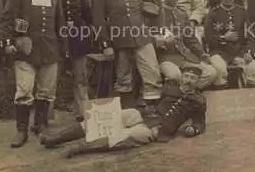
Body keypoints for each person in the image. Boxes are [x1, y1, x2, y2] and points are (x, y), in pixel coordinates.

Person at [62, 64, 207, 158]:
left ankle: (79, 149)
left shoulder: (198, 101)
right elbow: (149, 98)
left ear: (198, 82)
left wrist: (193, 129)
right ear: (181, 77)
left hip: (158, 129)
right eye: (186, 76)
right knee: (109, 115)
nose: (188, 80)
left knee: (126, 135)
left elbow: (199, 122)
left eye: (193, 78)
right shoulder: (169, 87)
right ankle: (57, 138)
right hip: (144, 115)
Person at [0, 0, 68, 147]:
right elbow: (7, 20)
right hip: (26, 51)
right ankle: (21, 132)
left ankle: (40, 125)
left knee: (46, 91)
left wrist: (64, 47)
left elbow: (60, 23)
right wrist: (7, 42)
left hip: (50, 50)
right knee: (24, 90)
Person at [92, 0, 162, 112]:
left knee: (151, 72)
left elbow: (154, 2)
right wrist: (105, 44)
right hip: (120, 38)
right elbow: (99, 18)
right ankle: (127, 111)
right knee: (123, 76)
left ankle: (152, 111)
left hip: (141, 36)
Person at [49, 0, 92, 121]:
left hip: (78, 38)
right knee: (52, 77)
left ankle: (83, 112)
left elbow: (88, 15)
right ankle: (45, 117)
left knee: (80, 77)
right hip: (57, 39)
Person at [153, 0, 217, 90]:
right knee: (175, 75)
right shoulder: (156, 14)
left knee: (211, 73)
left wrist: (201, 54)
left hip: (186, 56)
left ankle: (188, 94)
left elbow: (190, 39)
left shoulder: (182, 13)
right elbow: (150, 36)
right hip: (166, 57)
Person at [204, 0, 255, 88]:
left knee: (254, 70)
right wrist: (223, 38)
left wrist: (248, 52)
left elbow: (250, 35)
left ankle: (249, 100)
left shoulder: (242, 12)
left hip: (239, 51)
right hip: (219, 52)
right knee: (220, 70)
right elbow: (208, 37)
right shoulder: (213, 13)